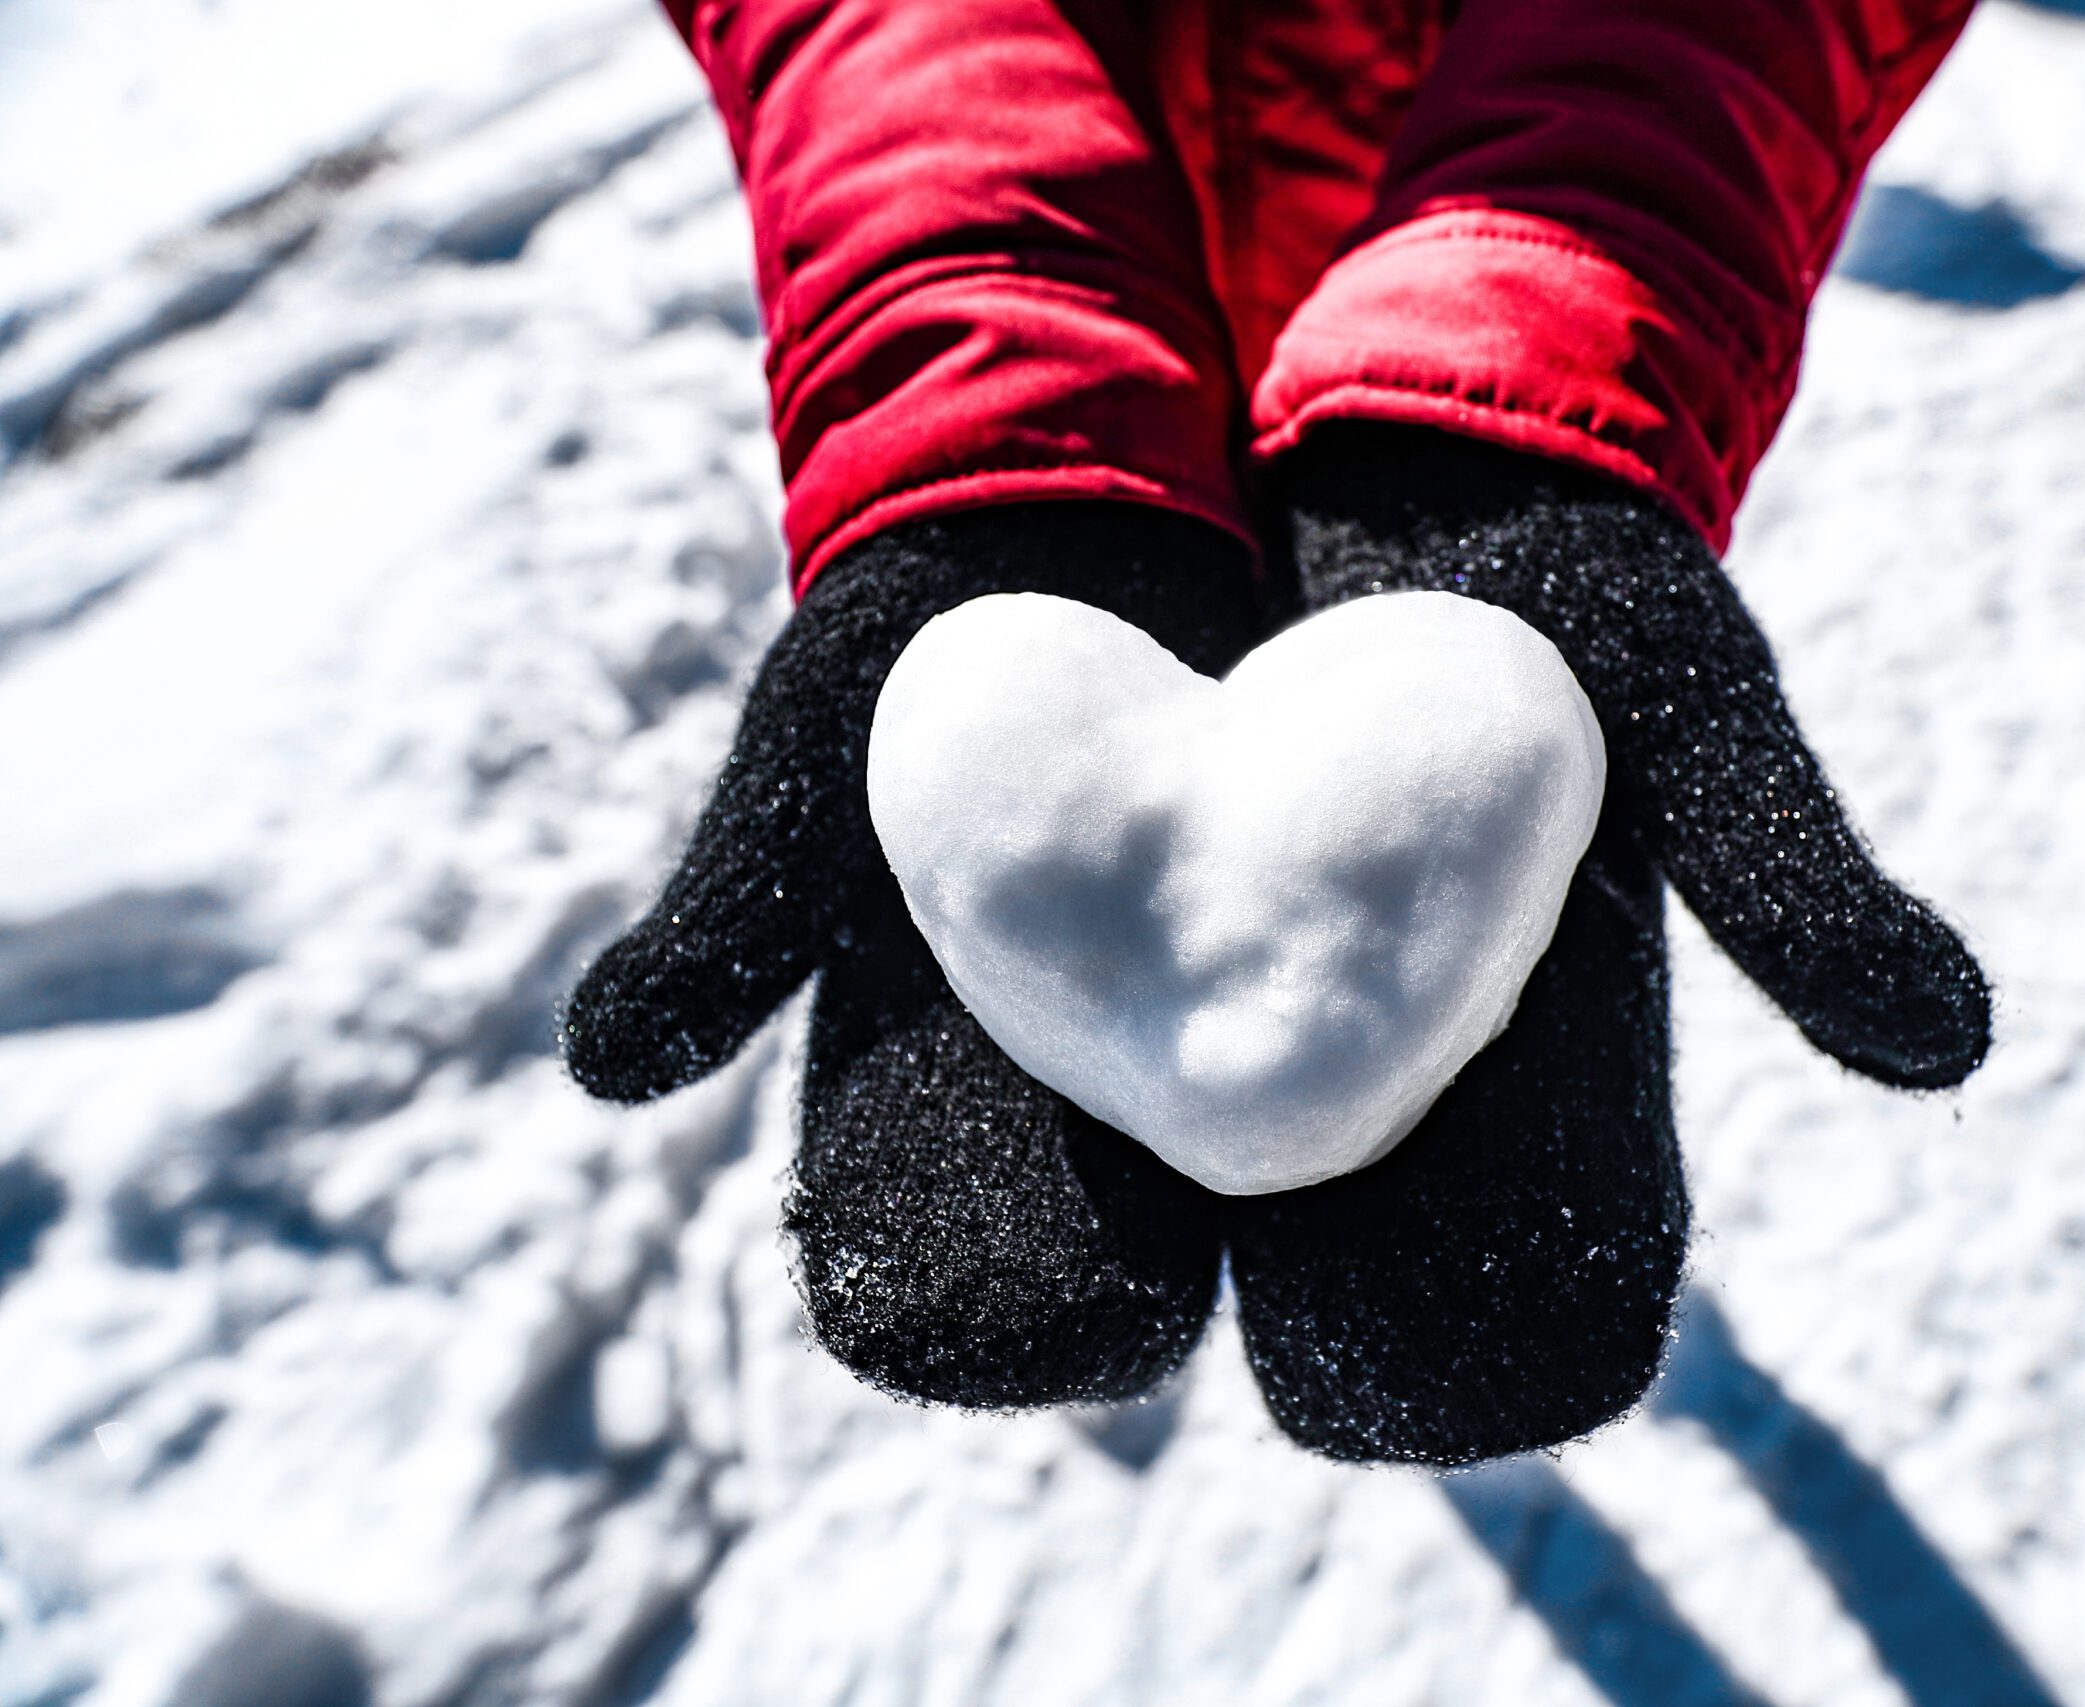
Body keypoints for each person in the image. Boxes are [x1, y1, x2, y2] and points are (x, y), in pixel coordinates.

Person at [563, 0, 1992, 1466]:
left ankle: (1373, 1060)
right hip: (1154, 266)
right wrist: (991, 399)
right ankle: (1333, 1075)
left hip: (1466, 264)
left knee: (1475, 1151)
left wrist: (1523, 345)